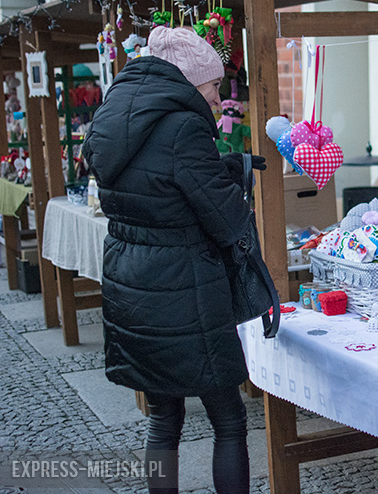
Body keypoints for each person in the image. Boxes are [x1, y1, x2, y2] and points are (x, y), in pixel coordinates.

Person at [83, 26, 266, 494]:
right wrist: (236, 186)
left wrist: (220, 166)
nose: (215, 96)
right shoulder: (184, 126)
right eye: (210, 86)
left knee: (164, 419)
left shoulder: (116, 116)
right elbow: (225, 219)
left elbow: (157, 182)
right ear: (187, 81)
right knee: (228, 418)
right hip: (185, 290)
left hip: (131, 283)